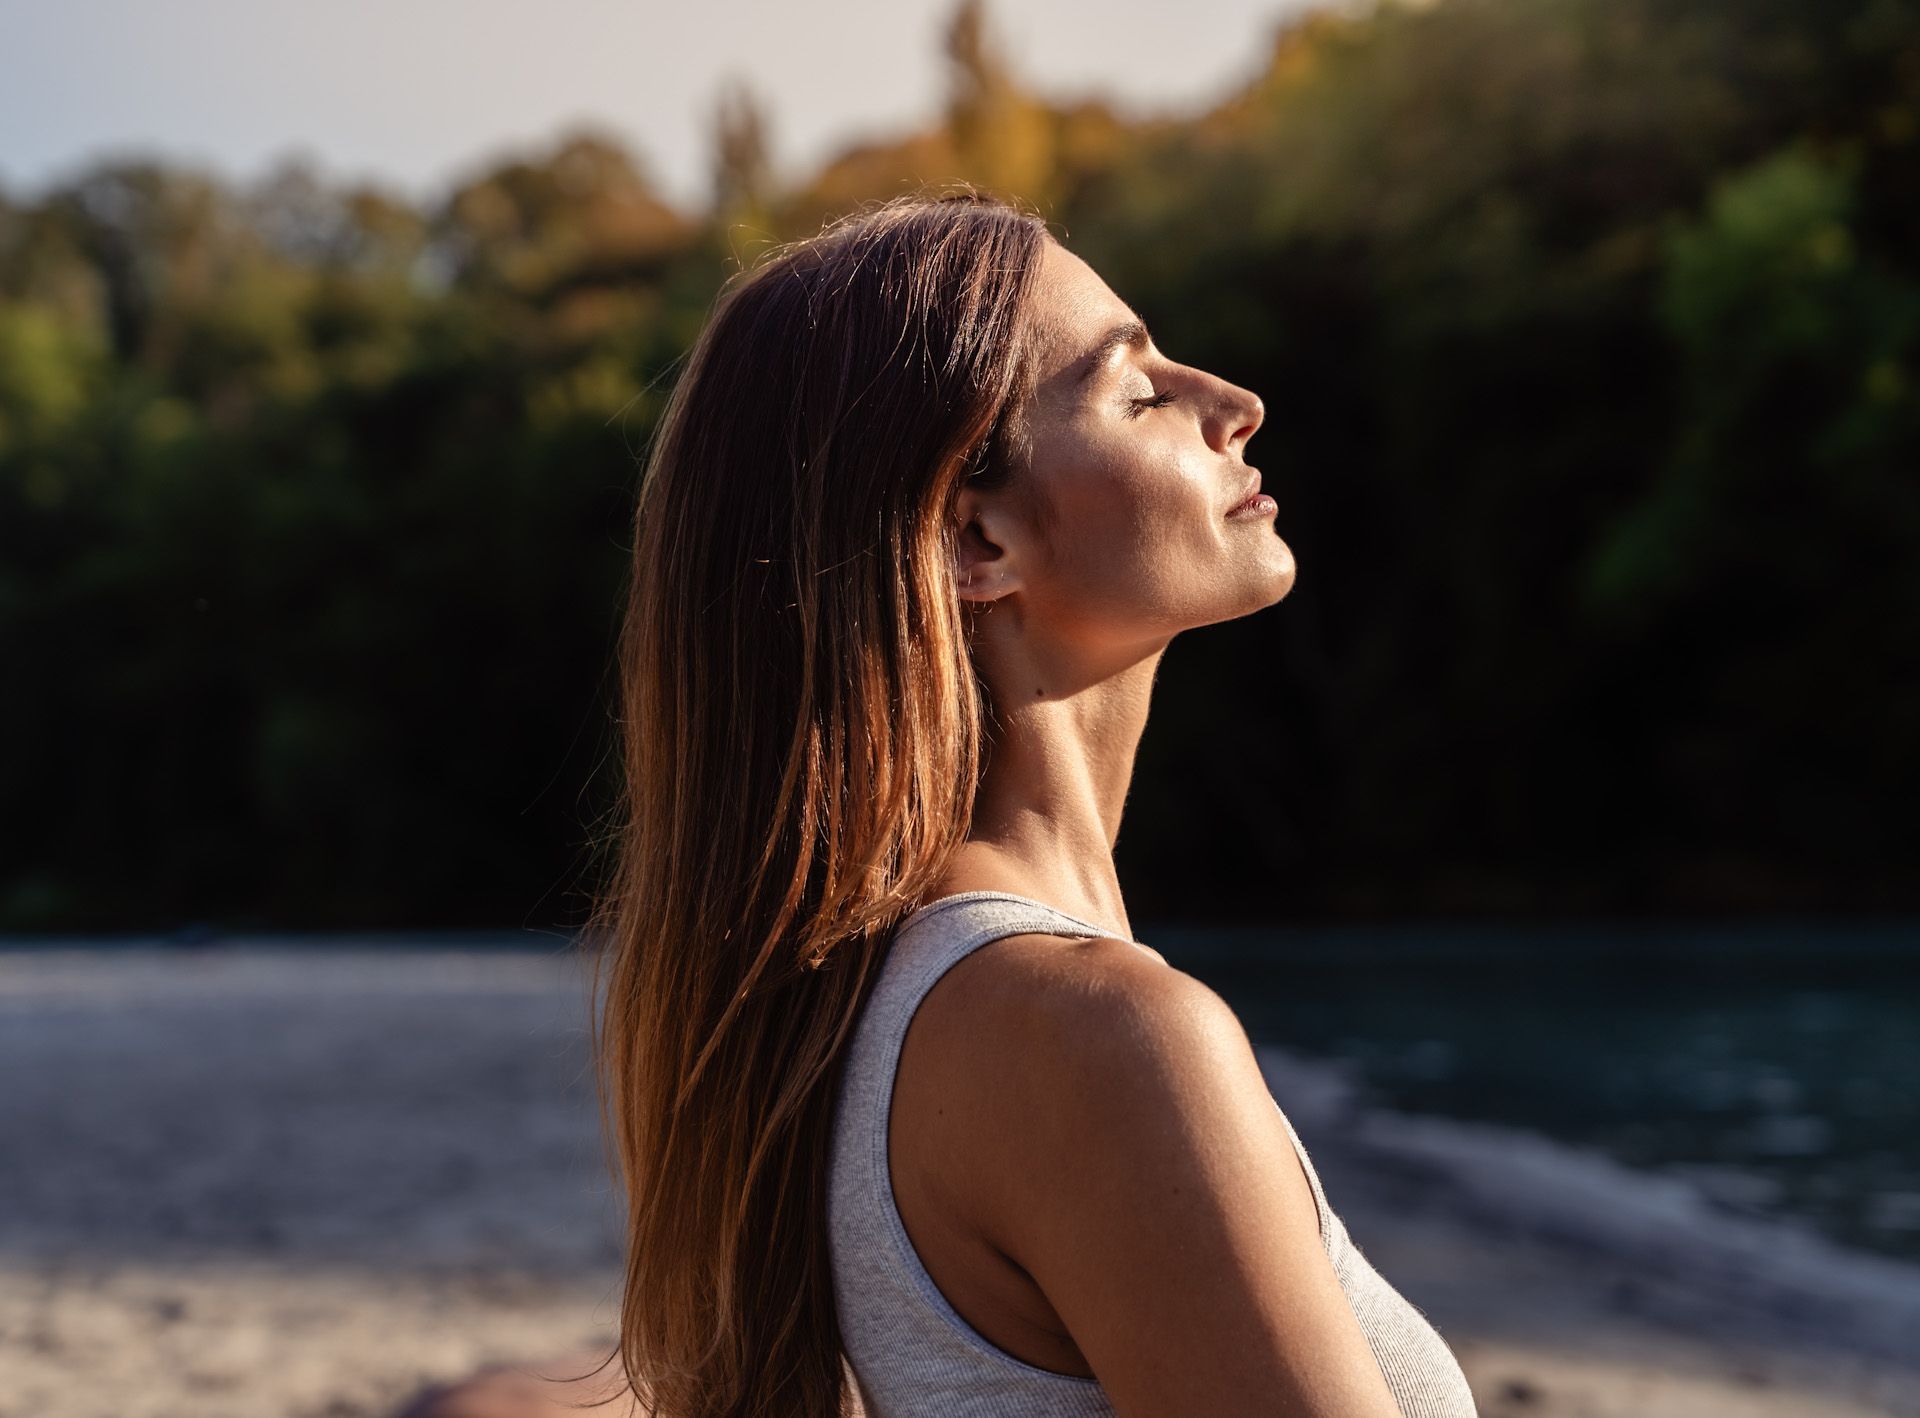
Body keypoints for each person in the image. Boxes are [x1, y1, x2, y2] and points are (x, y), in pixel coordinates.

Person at [401, 188, 1477, 1418]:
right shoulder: (1101, 1041)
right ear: (975, 542)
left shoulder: (854, 1023)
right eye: (1138, 390)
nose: (1234, 405)